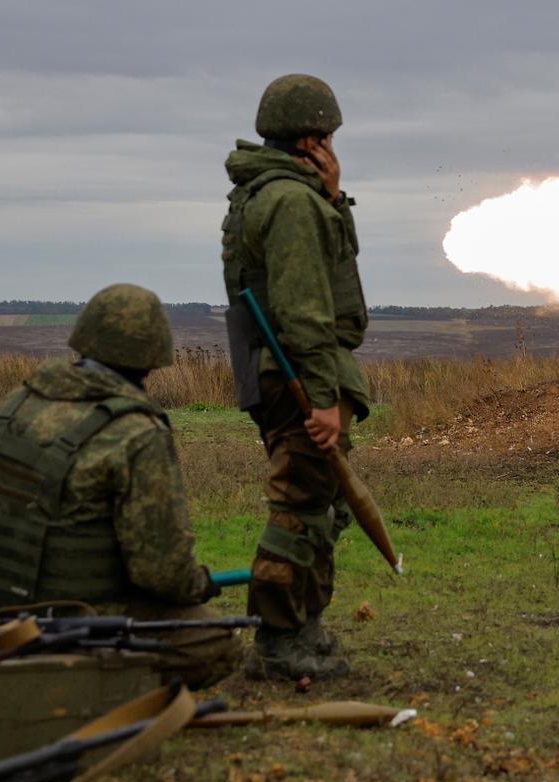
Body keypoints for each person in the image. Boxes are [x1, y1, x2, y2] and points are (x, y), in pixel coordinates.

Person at [0, 284, 239, 690]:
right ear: (155, 354)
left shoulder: (20, 402)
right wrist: (197, 584)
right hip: (77, 614)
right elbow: (162, 571)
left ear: (84, 339)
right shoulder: (137, 432)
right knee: (216, 642)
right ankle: (84, 680)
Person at [220, 73, 371, 681]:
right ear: (311, 139)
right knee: (300, 508)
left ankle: (305, 625)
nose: (333, 147)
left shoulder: (279, 195)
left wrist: (335, 201)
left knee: (324, 503)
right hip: (297, 378)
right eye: (327, 136)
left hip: (287, 373)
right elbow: (304, 309)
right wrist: (325, 399)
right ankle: (280, 643)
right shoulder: (287, 203)